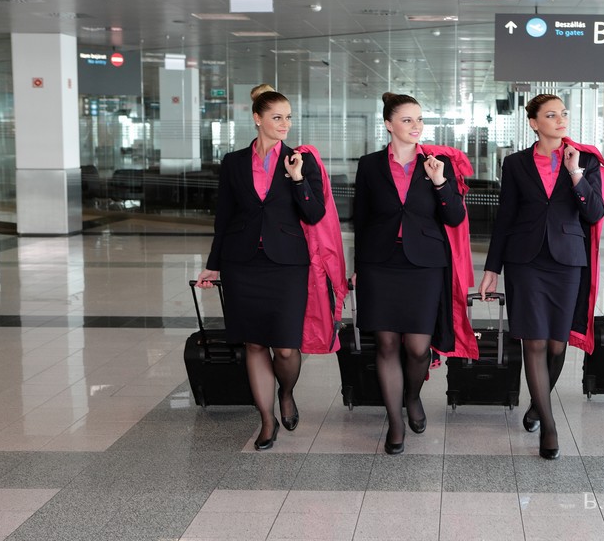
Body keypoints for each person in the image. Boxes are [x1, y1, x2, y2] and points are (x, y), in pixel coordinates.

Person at [196, 90, 328, 450]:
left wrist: (298, 179)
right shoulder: (234, 162)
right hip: (242, 263)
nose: (285, 125)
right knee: (254, 342)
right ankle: (266, 420)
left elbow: (315, 214)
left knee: (285, 348)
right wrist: (214, 265)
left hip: (286, 263)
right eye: (277, 117)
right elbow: (223, 217)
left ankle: (286, 393)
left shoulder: (301, 160)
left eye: (288, 117)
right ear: (257, 118)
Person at [479, 94, 604, 459]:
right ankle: (549, 428)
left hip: (567, 261)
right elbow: (505, 217)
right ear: (534, 122)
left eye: (563, 113)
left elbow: (594, 212)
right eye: (551, 115)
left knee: (556, 344)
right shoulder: (516, 163)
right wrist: (492, 268)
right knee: (533, 341)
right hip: (526, 261)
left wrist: (576, 173)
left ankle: (539, 403)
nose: (560, 119)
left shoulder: (585, 160)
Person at [352, 92, 468, 455]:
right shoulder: (370, 165)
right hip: (380, 263)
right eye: (407, 120)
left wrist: (439, 183)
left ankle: (413, 397)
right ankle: (396, 423)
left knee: (417, 348)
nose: (416, 127)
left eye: (419, 120)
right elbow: (362, 220)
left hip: (424, 265)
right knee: (386, 344)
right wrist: (357, 268)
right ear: (388, 124)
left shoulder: (436, 164)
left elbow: (455, 217)